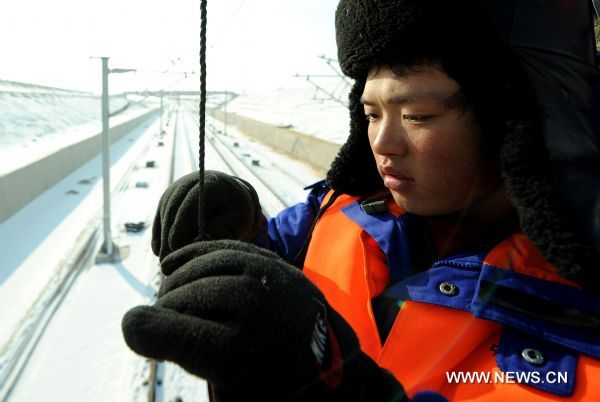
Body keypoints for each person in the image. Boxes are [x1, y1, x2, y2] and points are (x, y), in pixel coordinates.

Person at [122, 0, 600, 401]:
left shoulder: (582, 316)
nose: (383, 143)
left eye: (417, 115)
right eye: (371, 114)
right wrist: (243, 229)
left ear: (513, 119)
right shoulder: (348, 209)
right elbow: (282, 245)